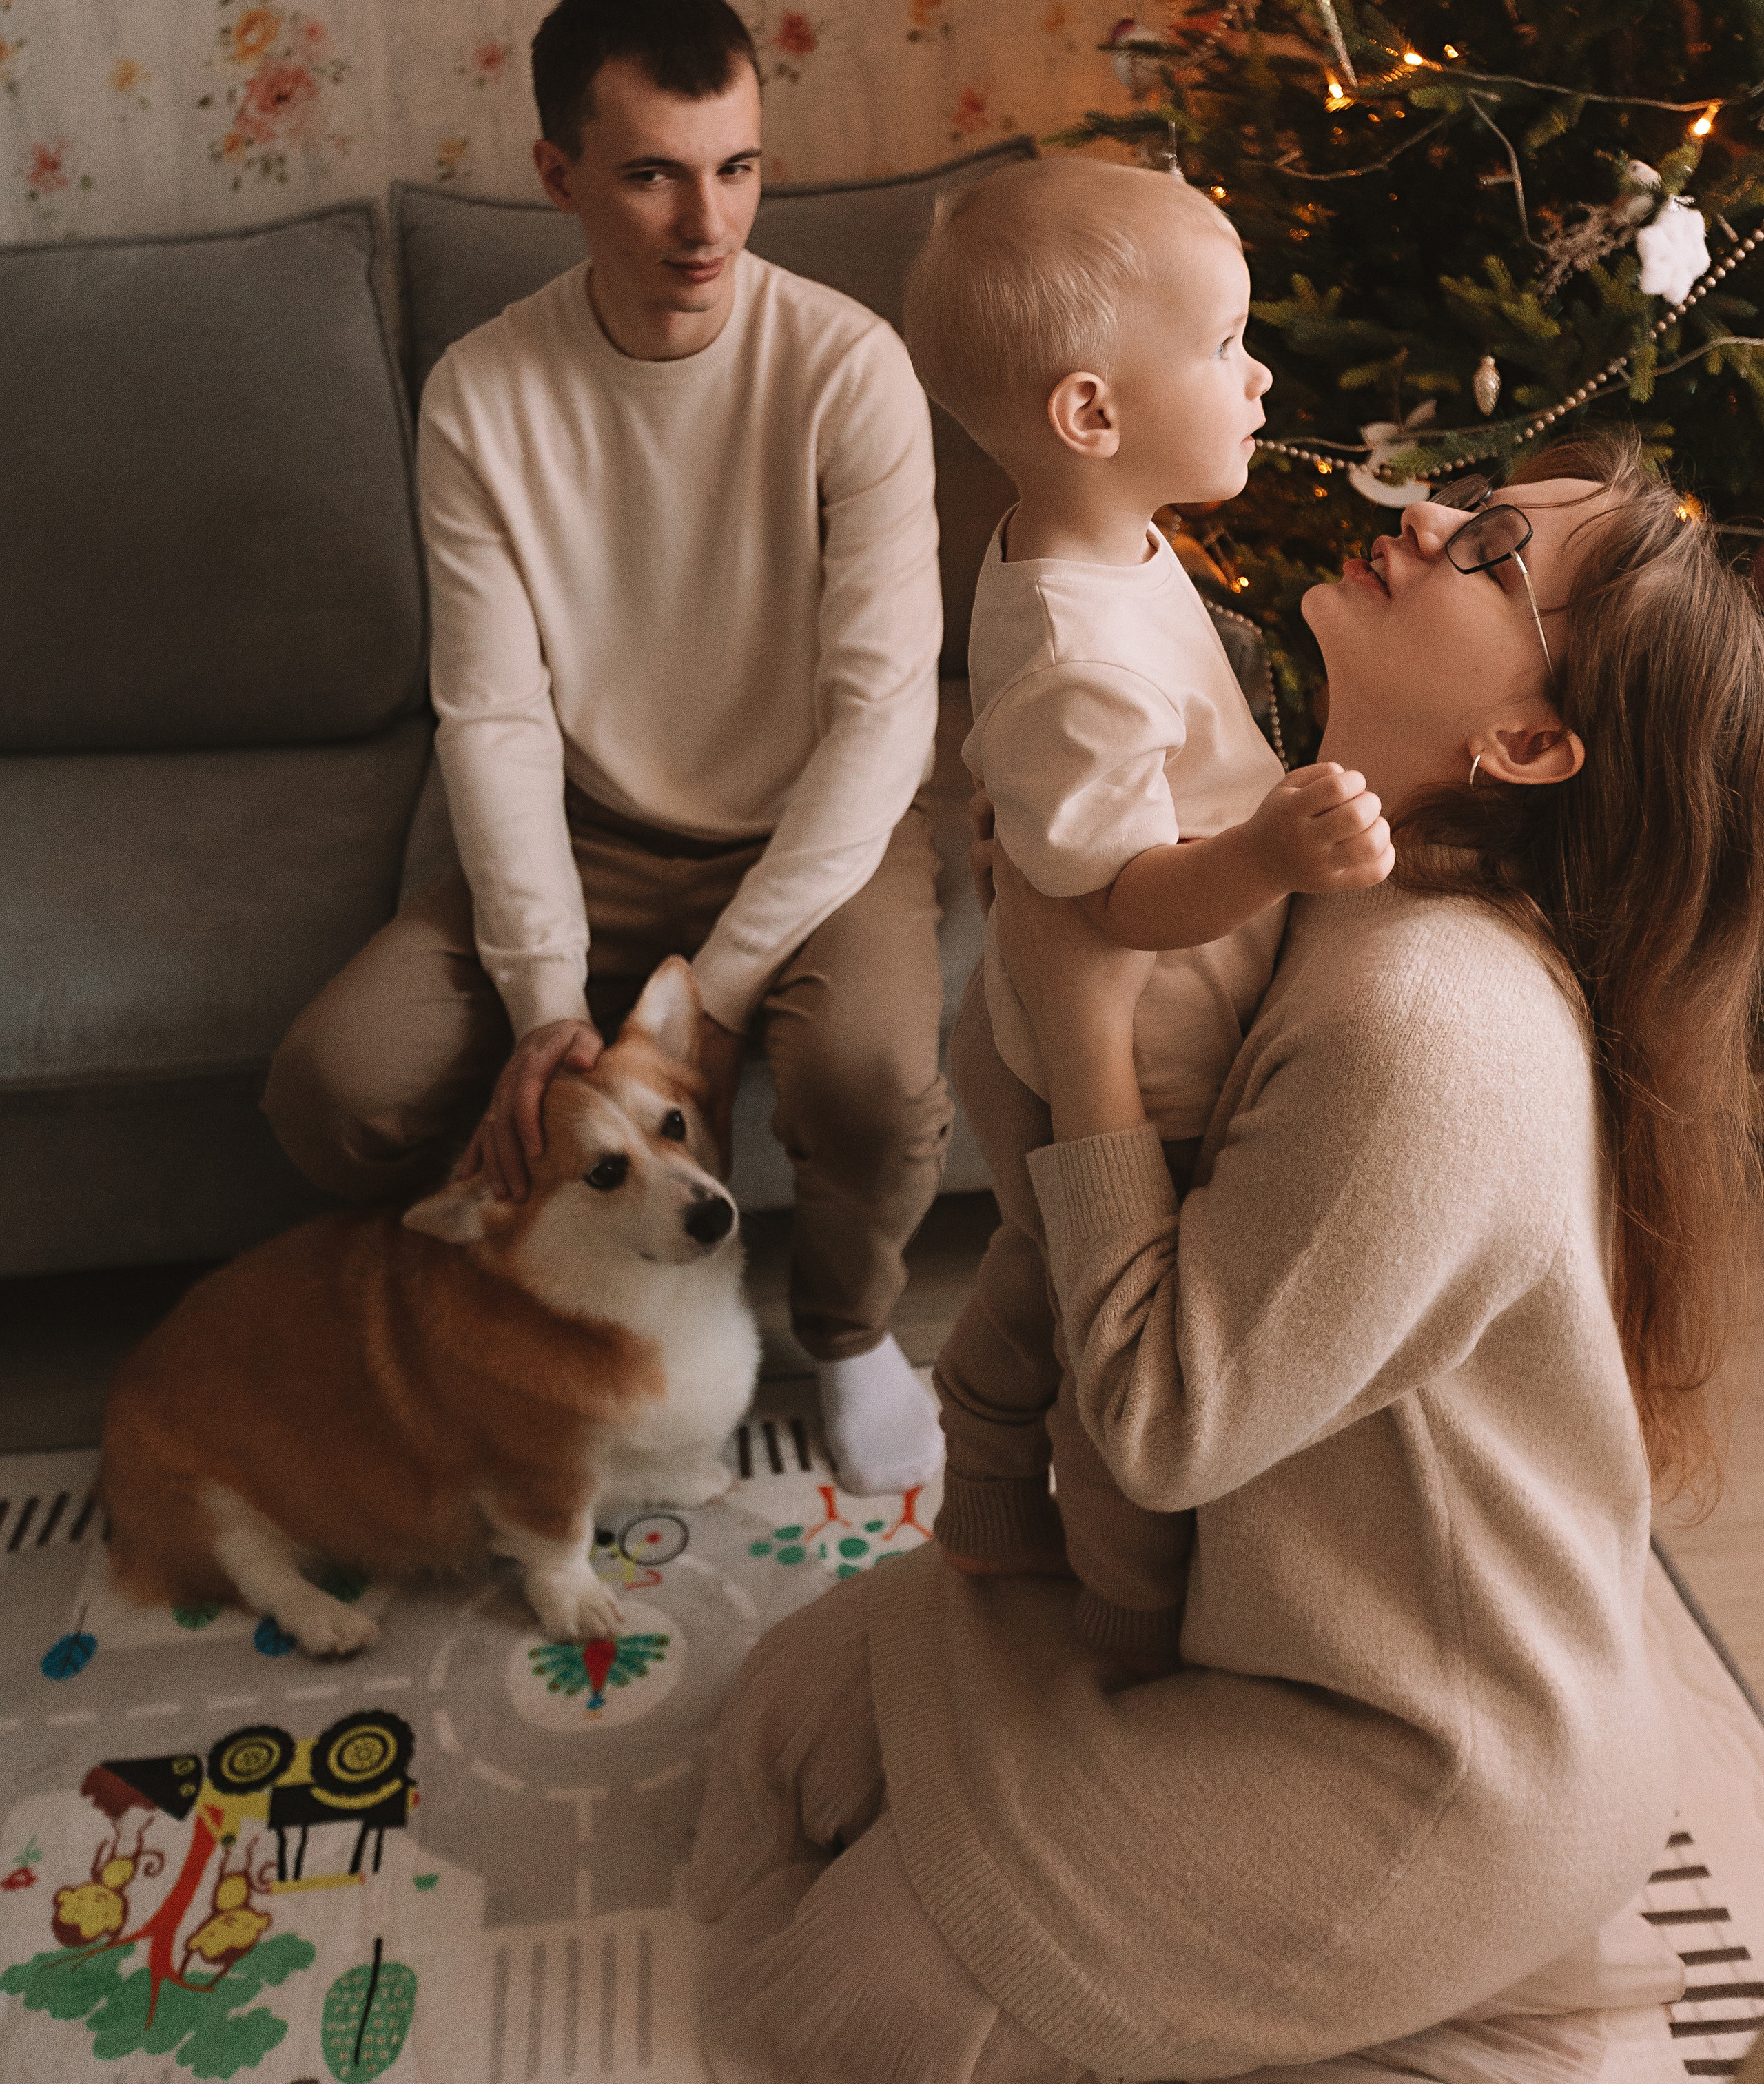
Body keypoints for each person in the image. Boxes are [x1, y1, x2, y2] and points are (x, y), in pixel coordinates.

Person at [686, 429, 1764, 2083]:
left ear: (1530, 738)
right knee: (783, 1725)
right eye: (1463, 497)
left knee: (834, 2008)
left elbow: (1160, 1425)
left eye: (1488, 554)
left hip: (1427, 1766)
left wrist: (1089, 1018)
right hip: (1246, 1625)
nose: (1417, 520)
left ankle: (1394, 1967)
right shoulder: (1287, 852)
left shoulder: (1434, 1021)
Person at [264, 0, 950, 1493]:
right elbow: (494, 716)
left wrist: (710, 993)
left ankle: (843, 1335)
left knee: (874, 1074)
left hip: (815, 833)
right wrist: (545, 1006)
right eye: (651, 174)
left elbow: (881, 718)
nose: (706, 224)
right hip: (589, 832)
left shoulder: (848, 368)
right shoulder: (482, 393)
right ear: (558, 177)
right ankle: (531, 1302)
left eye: (737, 169)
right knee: (337, 1084)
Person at [904, 156, 1393, 1661]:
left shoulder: (1093, 540)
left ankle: (979, 1485)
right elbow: (1111, 900)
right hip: (1145, 1068)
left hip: (1085, 1030)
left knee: (1035, 1275)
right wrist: (1270, 860)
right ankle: (1126, 1611)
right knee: (1112, 1351)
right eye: (1225, 344)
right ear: (1089, 415)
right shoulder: (1075, 646)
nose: (1257, 378)